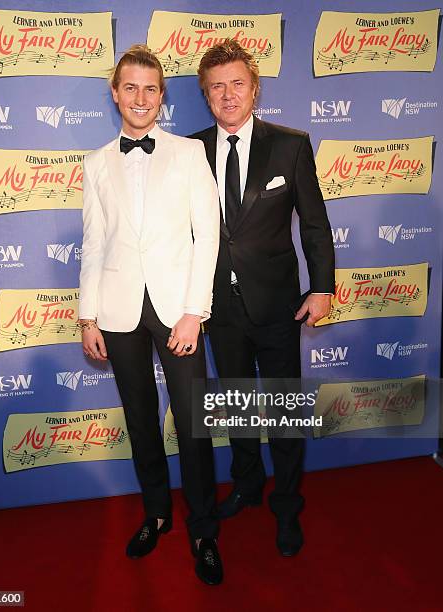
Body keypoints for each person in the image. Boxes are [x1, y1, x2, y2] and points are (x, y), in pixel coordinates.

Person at [78, 45, 222, 585]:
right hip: (117, 313)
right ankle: (156, 513)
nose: (140, 98)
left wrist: (193, 312)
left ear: (162, 96)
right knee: (140, 421)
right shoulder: (95, 163)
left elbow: (207, 236)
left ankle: (204, 529)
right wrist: (88, 317)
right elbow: (93, 244)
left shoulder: (187, 155)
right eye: (130, 88)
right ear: (115, 93)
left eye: (151, 89)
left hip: (176, 309)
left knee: (193, 424)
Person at [190, 40, 335, 556]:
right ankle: (248, 486)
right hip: (218, 311)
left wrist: (321, 288)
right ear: (206, 95)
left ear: (255, 89)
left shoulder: (290, 145)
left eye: (236, 84)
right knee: (237, 408)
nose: (227, 95)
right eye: (216, 87)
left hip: (277, 306)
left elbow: (315, 225)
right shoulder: (189, 151)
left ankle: (288, 506)